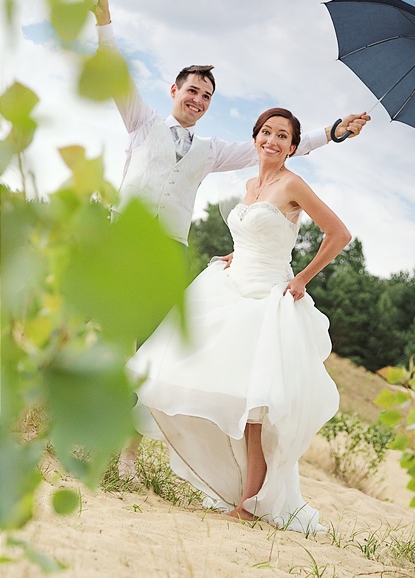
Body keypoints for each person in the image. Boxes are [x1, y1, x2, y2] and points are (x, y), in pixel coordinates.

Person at [126, 107, 351, 532]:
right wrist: (236, 254)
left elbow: (339, 234)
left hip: (267, 297)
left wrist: (303, 277)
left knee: (255, 407)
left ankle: (250, 503)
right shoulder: (251, 184)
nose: (272, 140)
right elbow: (256, 232)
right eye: (266, 132)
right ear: (255, 137)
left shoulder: (293, 183)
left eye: (282, 136)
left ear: (293, 147)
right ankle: (221, 483)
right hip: (231, 286)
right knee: (184, 370)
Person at [87, 0, 370, 248]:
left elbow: (273, 147)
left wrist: (333, 133)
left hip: (170, 252)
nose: (198, 100)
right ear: (174, 90)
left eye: (206, 96)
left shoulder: (210, 151)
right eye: (193, 91)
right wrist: (103, 21)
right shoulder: (142, 123)